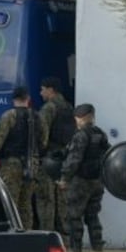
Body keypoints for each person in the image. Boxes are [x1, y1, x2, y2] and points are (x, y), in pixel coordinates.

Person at [60, 104, 110, 252]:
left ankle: (76, 251)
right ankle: (98, 250)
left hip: (80, 181)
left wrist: (64, 178)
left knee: (74, 216)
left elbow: (74, 159)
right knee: (93, 216)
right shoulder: (100, 134)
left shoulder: (81, 135)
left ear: (80, 118)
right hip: (97, 180)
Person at [0, 86, 43, 229]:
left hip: (11, 164)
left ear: (13, 99)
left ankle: (13, 233)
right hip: (32, 163)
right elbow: (43, 140)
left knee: (10, 201)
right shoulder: (38, 116)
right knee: (26, 203)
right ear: (28, 98)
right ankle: (27, 235)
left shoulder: (9, 116)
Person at [36, 76, 76, 241]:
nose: (41, 92)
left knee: (46, 198)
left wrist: (38, 153)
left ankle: (47, 236)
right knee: (63, 200)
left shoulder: (49, 108)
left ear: (50, 90)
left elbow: (41, 134)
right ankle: (65, 237)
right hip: (64, 158)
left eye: (43, 89)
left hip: (49, 159)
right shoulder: (68, 106)